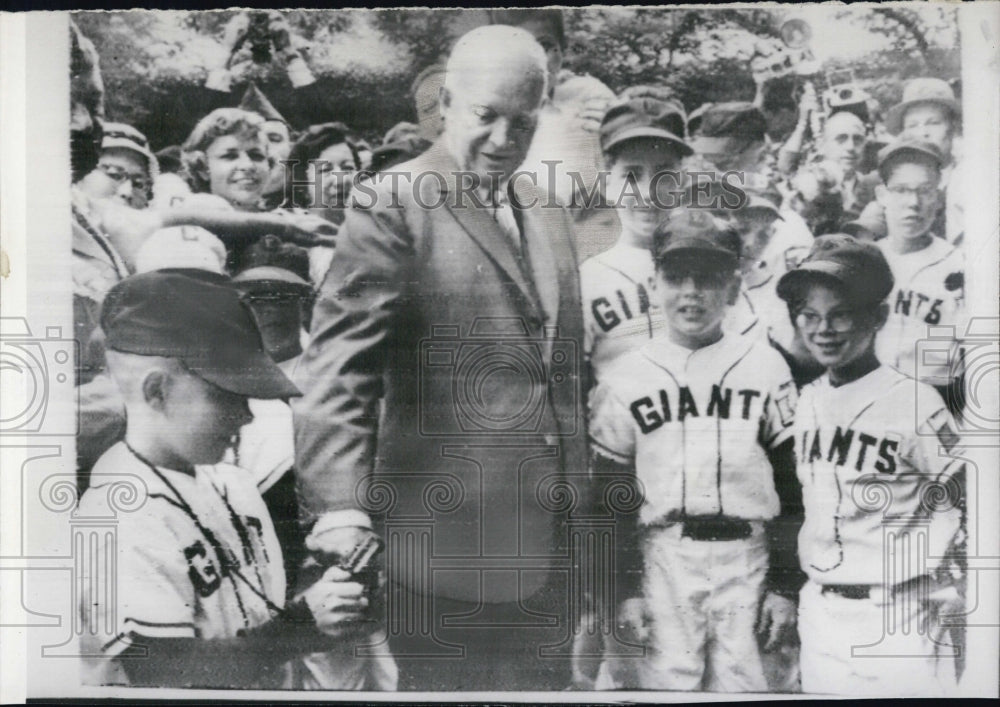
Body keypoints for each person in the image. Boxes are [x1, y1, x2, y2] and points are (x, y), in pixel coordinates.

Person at [292, 25, 586, 691]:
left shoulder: (547, 210)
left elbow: (562, 377)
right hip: (444, 550)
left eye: (524, 120)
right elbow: (339, 365)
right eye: (487, 116)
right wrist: (340, 506)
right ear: (447, 104)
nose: (505, 139)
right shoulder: (392, 200)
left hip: (553, 546)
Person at [78, 269, 374, 688]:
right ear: (156, 391)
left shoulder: (233, 482)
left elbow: (257, 615)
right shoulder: (115, 515)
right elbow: (163, 670)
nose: (247, 415)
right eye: (226, 396)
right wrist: (301, 626)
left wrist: (331, 597)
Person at [587, 208, 802, 691]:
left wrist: (787, 585)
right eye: (676, 276)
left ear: (732, 285)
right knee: (662, 690)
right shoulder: (627, 376)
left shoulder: (767, 366)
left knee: (749, 689)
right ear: (654, 281)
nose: (690, 292)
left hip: (749, 556)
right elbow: (609, 494)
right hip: (664, 558)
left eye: (707, 278)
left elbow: (794, 485)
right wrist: (623, 591)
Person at [775, 234, 964, 696]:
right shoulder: (805, 401)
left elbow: (972, 496)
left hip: (898, 611)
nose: (824, 329)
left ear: (877, 316)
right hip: (821, 609)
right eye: (810, 315)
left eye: (841, 313)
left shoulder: (916, 402)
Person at [580, 97, 691, 383]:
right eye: (632, 175)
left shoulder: (711, 265)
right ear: (607, 182)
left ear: (683, 180)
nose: (648, 192)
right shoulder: (586, 280)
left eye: (664, 175)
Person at [872, 138, 966, 415]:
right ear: (881, 195)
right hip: (871, 401)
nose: (913, 202)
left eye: (925, 191)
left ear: (937, 198)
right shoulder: (864, 260)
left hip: (939, 402)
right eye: (900, 190)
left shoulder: (961, 266)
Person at [886, 77, 964, 243]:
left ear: (953, 128)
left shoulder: (970, 176)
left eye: (933, 123)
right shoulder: (892, 181)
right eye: (913, 126)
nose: (923, 133)